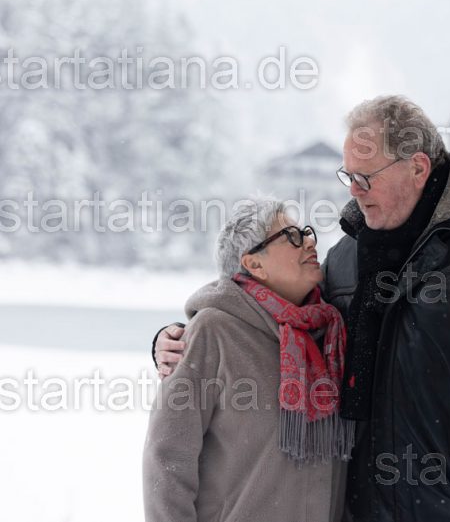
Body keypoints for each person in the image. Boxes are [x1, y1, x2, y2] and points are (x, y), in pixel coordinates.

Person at [153, 95, 450, 522]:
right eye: (348, 175)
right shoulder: (347, 257)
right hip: (363, 509)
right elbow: (276, 315)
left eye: (365, 176)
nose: (353, 189)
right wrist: (179, 338)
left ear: (417, 168)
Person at [143, 198, 354, 522]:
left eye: (306, 233)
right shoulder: (213, 332)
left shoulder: (330, 334)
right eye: (292, 236)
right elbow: (167, 459)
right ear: (254, 263)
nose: (310, 242)